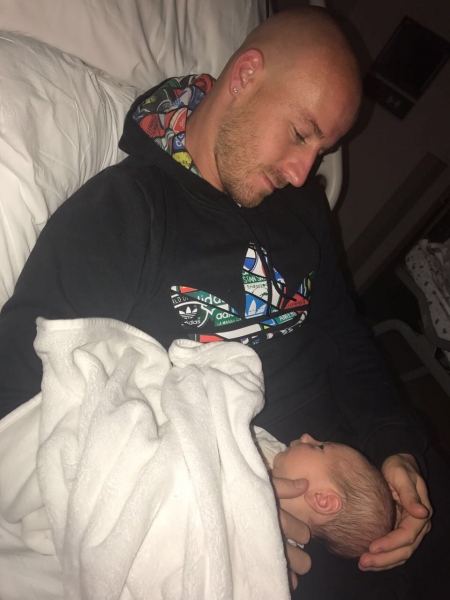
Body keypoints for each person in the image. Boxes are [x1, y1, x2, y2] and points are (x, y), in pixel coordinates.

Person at [0, 6, 448, 599]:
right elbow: (18, 395)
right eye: (301, 133)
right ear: (245, 76)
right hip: (234, 518)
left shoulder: (304, 207)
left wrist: (397, 447)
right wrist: (221, 505)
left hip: (354, 468)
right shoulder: (123, 213)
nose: (302, 173)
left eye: (322, 149)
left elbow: (345, 335)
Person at [255, 428, 396, 559]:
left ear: (322, 500)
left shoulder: (272, 549)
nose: (306, 437)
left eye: (319, 447)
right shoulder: (272, 450)